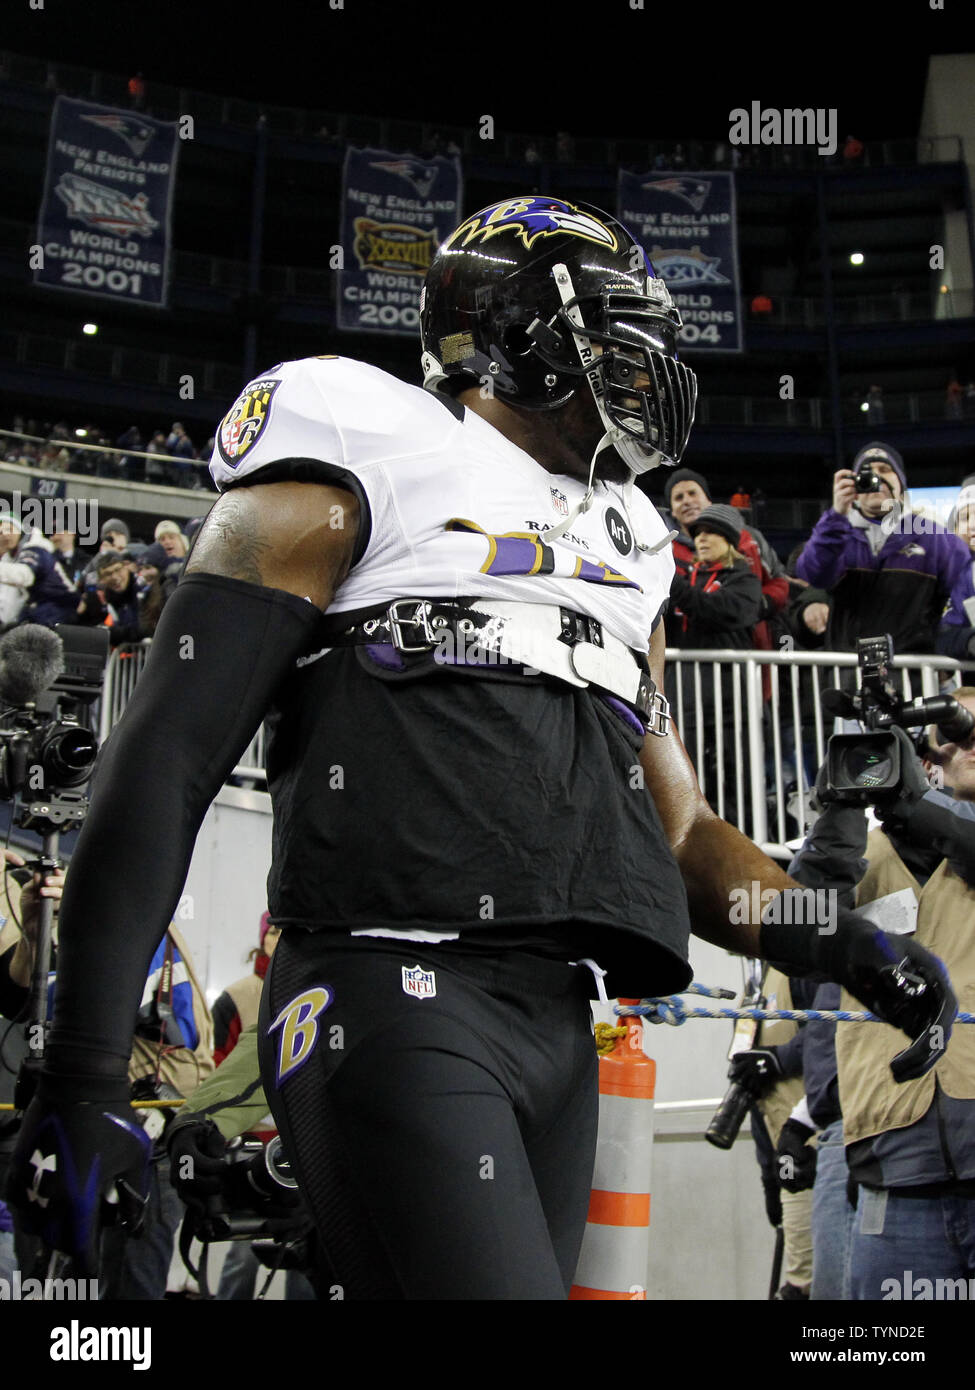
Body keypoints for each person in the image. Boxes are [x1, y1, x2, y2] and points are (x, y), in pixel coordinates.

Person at [6, 195, 956, 1301]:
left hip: (557, 1023)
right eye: (612, 327)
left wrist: (848, 944)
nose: (645, 362)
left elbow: (683, 832)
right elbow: (169, 753)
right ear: (506, 334)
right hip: (387, 983)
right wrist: (79, 1075)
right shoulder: (366, 448)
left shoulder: (636, 546)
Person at [797, 442, 970, 655]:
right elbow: (813, 573)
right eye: (866, 473)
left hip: (912, 676)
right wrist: (837, 514)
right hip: (848, 674)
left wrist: (951, 647)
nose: (875, 478)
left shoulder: (936, 539)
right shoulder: (838, 535)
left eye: (885, 470)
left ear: (901, 485)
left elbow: (962, 604)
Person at [666, 503, 762, 824]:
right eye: (697, 534)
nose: (701, 539)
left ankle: (744, 841)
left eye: (710, 533)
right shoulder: (687, 581)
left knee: (738, 779)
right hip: (687, 699)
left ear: (730, 540)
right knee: (693, 780)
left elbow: (718, 611)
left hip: (731, 702)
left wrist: (674, 586)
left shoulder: (744, 579)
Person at [938, 479, 975, 661]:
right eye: (965, 518)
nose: (972, 526)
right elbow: (942, 635)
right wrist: (969, 641)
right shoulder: (951, 573)